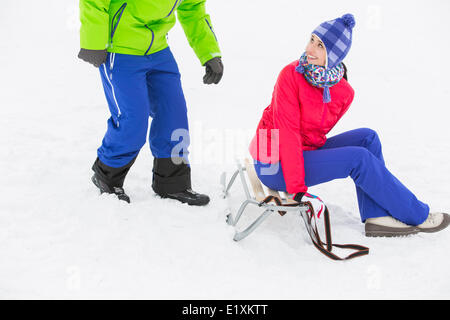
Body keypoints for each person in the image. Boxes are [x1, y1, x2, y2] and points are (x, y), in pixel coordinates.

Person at [248, 13, 449, 237]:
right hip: (273, 164)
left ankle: (376, 216)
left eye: (321, 45)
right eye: (312, 40)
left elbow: (314, 132)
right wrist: (296, 189)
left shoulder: (342, 92)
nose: (310, 49)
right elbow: (288, 133)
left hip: (302, 152)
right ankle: (417, 215)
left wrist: (329, 90)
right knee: (358, 159)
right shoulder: (290, 75)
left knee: (367, 138)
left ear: (335, 55)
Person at [78, 0, 224, 205]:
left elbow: (192, 9)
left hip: (158, 49)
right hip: (120, 50)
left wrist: (210, 53)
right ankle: (107, 176)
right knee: (133, 120)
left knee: (174, 115)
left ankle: (173, 182)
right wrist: (93, 41)